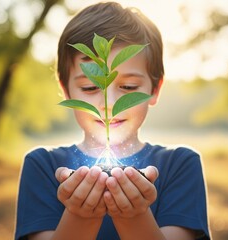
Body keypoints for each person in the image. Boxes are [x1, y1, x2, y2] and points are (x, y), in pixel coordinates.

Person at [15, 2, 211, 240]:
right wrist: (80, 215)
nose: (108, 103)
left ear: (155, 89)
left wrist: (134, 216)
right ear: (65, 89)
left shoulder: (179, 165)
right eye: (89, 87)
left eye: (128, 87)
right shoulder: (44, 166)